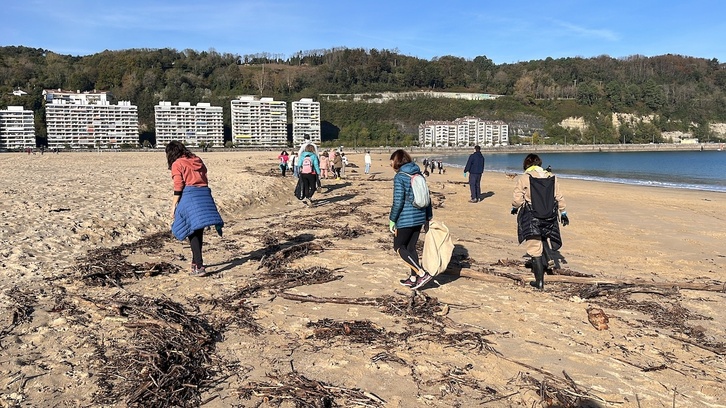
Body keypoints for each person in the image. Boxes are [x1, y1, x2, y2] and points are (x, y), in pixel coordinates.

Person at [511, 153, 569, 290]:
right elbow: (559, 196)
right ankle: (548, 261)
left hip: (532, 216)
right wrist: (564, 212)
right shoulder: (551, 177)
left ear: (526, 164)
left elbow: (517, 199)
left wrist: (514, 208)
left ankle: (539, 282)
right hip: (549, 216)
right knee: (544, 239)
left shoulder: (525, 178)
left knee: (534, 248)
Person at [166, 141, 223, 277]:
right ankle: (195, 263)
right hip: (204, 195)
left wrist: (174, 205)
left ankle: (199, 266)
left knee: (192, 231)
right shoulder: (197, 160)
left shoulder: (177, 164)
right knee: (198, 231)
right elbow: (205, 177)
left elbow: (178, 186)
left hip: (190, 195)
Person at [389, 149, 434, 290]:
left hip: (406, 218)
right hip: (420, 216)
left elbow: (398, 202)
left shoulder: (400, 177)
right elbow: (427, 197)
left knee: (398, 247)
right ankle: (413, 278)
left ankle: (421, 273)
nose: (390, 164)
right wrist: (428, 216)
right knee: (410, 247)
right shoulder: (418, 173)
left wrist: (392, 220)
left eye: (391, 161)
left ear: (396, 161)